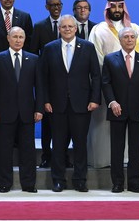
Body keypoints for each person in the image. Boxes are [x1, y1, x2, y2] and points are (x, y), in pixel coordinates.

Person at [39, 15, 101, 192]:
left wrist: (95, 99)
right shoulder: (49, 48)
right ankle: (58, 180)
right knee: (58, 144)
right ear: (59, 29)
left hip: (82, 105)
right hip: (56, 105)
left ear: (76, 28)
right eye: (63, 27)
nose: (67, 29)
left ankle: (80, 179)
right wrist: (45, 100)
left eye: (70, 26)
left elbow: (96, 75)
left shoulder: (88, 47)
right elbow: (42, 78)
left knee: (80, 144)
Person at [89, 0, 139, 168]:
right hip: (108, 89)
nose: (117, 10)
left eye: (120, 6)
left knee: (136, 131)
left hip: (135, 90)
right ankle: (105, 161)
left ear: (124, 8)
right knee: (107, 130)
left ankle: (136, 162)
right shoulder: (99, 30)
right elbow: (97, 61)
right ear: (108, 8)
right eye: (113, 6)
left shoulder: (135, 29)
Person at [0, 27, 42, 193]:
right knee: (4, 150)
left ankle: (28, 184)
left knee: (28, 151)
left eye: (21, 37)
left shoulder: (33, 59)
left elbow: (39, 87)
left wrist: (39, 109)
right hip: (4, 112)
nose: (18, 40)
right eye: (15, 37)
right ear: (8, 38)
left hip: (27, 112)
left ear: (24, 40)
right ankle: (4, 183)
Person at [101, 27, 139, 193]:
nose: (130, 39)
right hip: (117, 110)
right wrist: (112, 102)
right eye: (126, 37)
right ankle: (117, 183)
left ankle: (134, 183)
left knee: (136, 149)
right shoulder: (110, 59)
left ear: (136, 39)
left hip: (138, 112)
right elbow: (106, 83)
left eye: (132, 37)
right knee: (116, 149)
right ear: (120, 39)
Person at [26, 0, 63, 170]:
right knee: (48, 123)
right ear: (46, 7)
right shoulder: (40, 26)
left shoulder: (69, 25)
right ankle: (46, 155)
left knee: (64, 125)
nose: (56, 7)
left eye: (58, 4)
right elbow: (34, 52)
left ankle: (62, 155)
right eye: (52, 5)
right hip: (47, 80)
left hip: (65, 80)